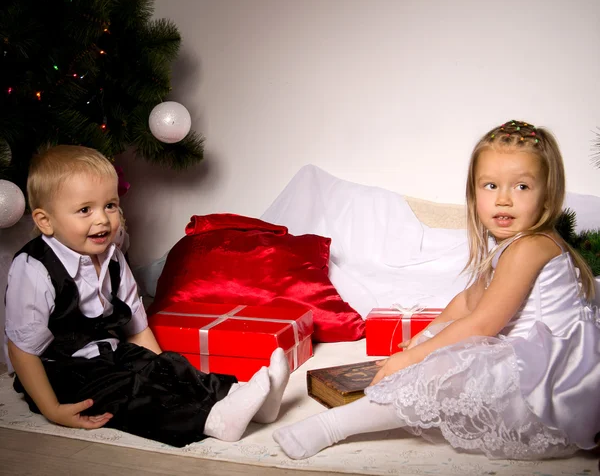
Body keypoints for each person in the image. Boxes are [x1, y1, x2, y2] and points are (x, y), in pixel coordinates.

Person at [273, 120, 600, 460]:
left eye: (521, 187)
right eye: (490, 186)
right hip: (527, 348)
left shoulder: (530, 247)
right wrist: (425, 336)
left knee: (441, 372)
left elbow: (482, 324)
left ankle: (332, 426)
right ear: (473, 194)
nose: (503, 199)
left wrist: (414, 358)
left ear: (547, 194)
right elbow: (466, 302)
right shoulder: (508, 246)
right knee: (434, 357)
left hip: (552, 369)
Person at [4, 144, 290, 448]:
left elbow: (137, 329)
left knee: (164, 366)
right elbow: (23, 351)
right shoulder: (34, 269)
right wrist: (53, 409)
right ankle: (211, 419)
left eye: (110, 205)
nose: (102, 219)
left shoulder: (112, 255)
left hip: (107, 350)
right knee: (125, 391)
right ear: (45, 221)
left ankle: (241, 397)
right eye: (85, 210)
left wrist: (160, 369)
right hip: (57, 368)